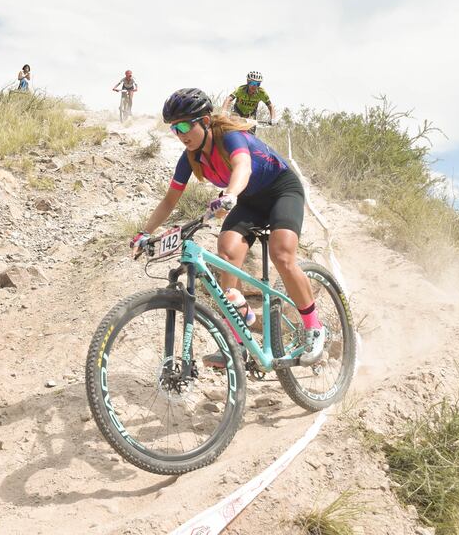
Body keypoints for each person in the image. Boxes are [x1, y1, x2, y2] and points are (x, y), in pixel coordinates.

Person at [131, 88, 325, 366]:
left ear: (205, 121)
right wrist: (145, 233)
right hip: (249, 200)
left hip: (281, 190)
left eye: (184, 126)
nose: (180, 134)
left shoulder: (230, 137)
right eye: (174, 129)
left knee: (282, 254)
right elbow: (169, 200)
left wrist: (229, 194)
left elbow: (243, 166)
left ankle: (314, 328)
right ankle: (236, 341)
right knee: (227, 252)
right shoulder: (190, 158)